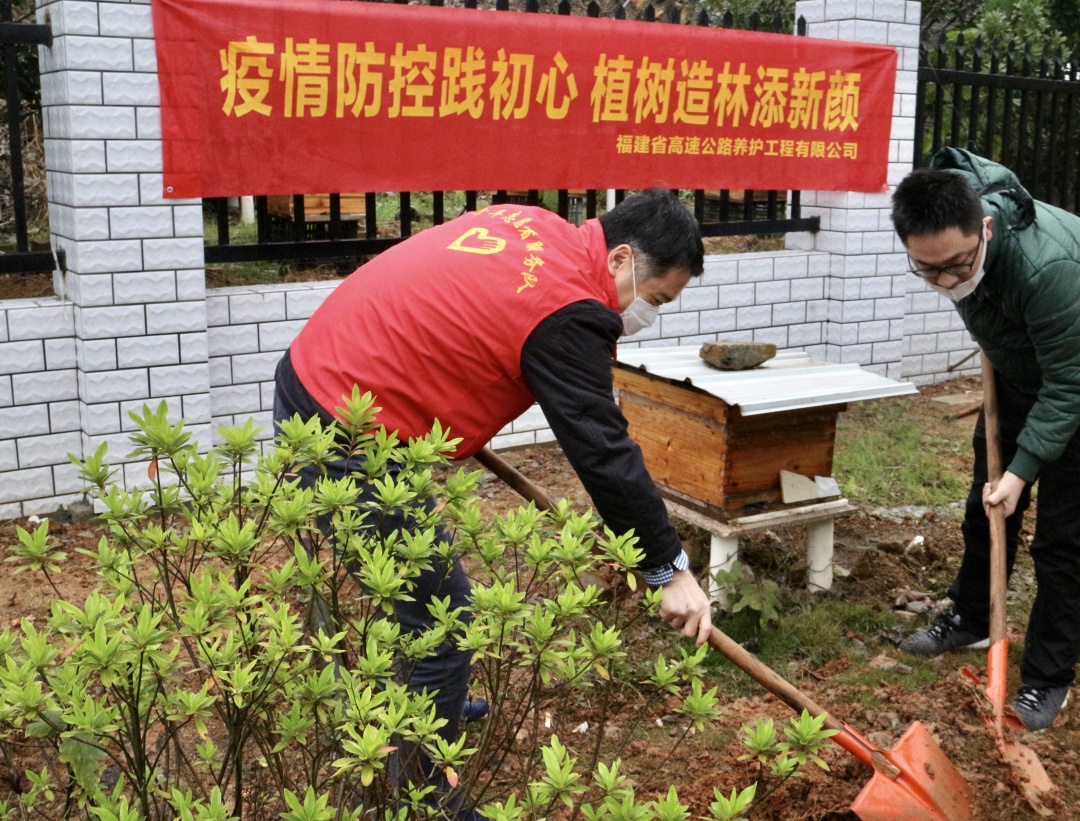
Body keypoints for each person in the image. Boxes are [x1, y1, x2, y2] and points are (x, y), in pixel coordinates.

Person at [273, 188, 713, 789]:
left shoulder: (534, 224)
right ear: (619, 259)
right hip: (345, 434)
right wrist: (670, 569)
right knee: (442, 621)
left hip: (327, 380)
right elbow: (603, 452)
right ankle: (424, 798)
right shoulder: (569, 308)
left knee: (425, 601)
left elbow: (458, 303)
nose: (643, 315)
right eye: (654, 297)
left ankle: (437, 708)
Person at [891, 147, 1080, 731]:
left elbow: (1069, 385)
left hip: (1075, 379)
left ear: (987, 230)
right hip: (1023, 373)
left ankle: (1049, 677)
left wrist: (1022, 472)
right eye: (929, 270)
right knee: (985, 505)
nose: (946, 280)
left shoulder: (1048, 268)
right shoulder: (950, 247)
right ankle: (972, 616)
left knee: (1063, 541)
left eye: (957, 265)